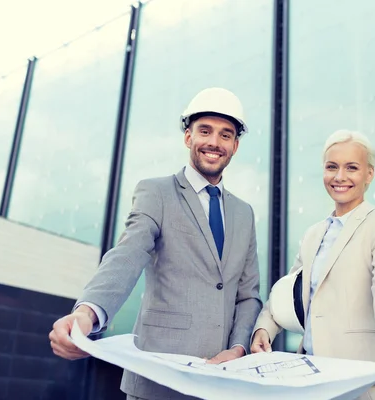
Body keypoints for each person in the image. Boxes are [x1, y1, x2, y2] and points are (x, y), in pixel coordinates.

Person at [49, 87, 262, 400]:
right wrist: (87, 313)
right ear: (188, 137)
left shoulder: (244, 213)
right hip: (158, 379)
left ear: (235, 145)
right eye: (205, 131)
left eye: (225, 135)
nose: (214, 142)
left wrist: (239, 347)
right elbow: (127, 256)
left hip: (221, 381)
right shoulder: (157, 193)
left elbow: (248, 295)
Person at [250, 129, 375, 400]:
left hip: (360, 383)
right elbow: (287, 291)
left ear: (369, 174)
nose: (340, 177)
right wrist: (264, 328)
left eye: (351, 168)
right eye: (332, 167)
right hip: (309, 381)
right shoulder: (312, 234)